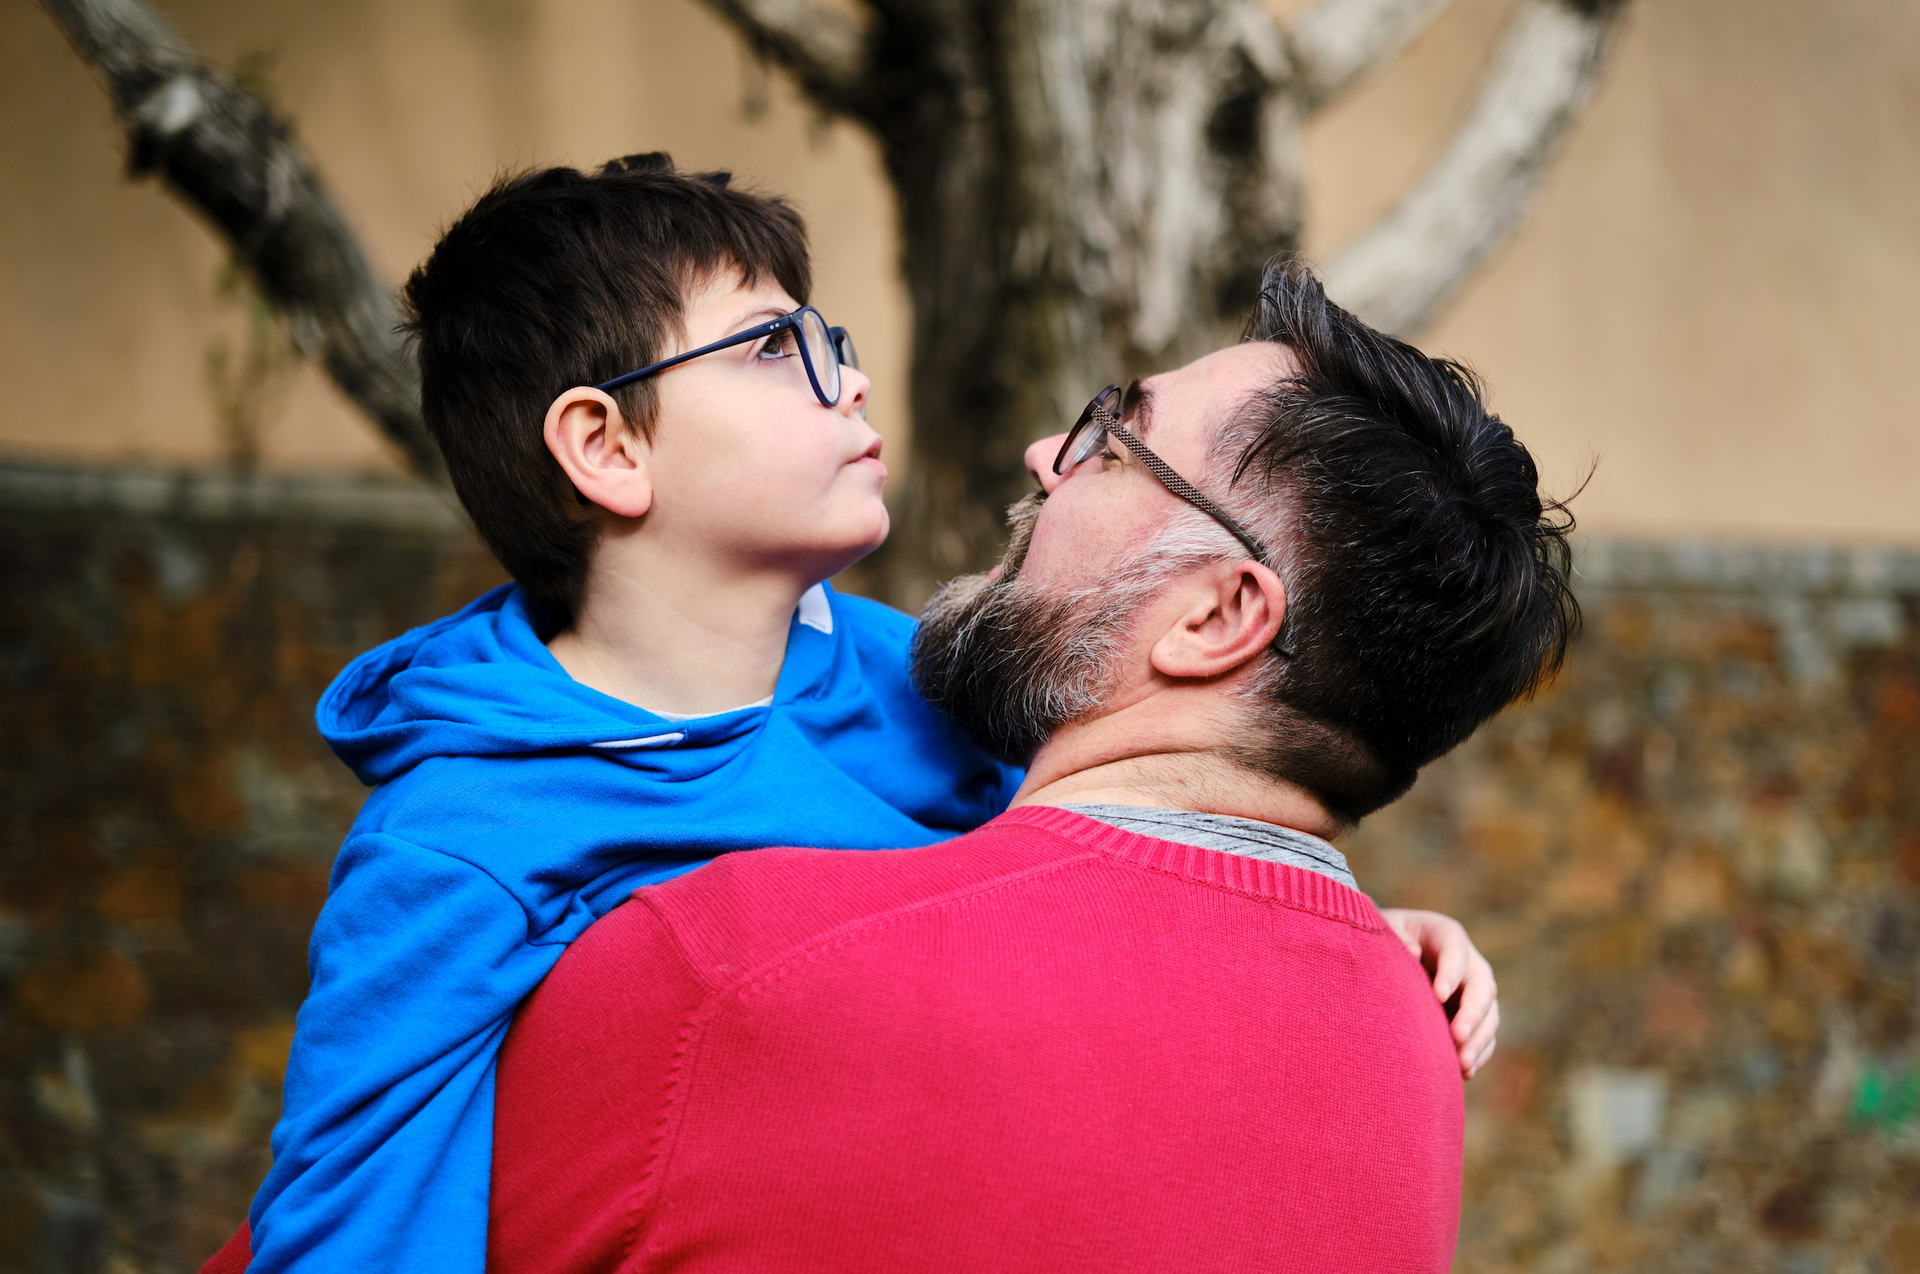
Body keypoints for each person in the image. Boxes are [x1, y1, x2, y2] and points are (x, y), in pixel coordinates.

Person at [210, 161, 1491, 1274]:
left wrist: (1353, 930)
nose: (854, 378)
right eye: (774, 348)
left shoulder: (914, 679)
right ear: (605, 447)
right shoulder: (459, 842)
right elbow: (352, 1217)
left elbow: (1132, 847)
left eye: (827, 337)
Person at [487, 259, 1572, 1273]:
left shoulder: (719, 977)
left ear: (1218, 614)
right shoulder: (1416, 1049)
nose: (1046, 453)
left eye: (1113, 440)